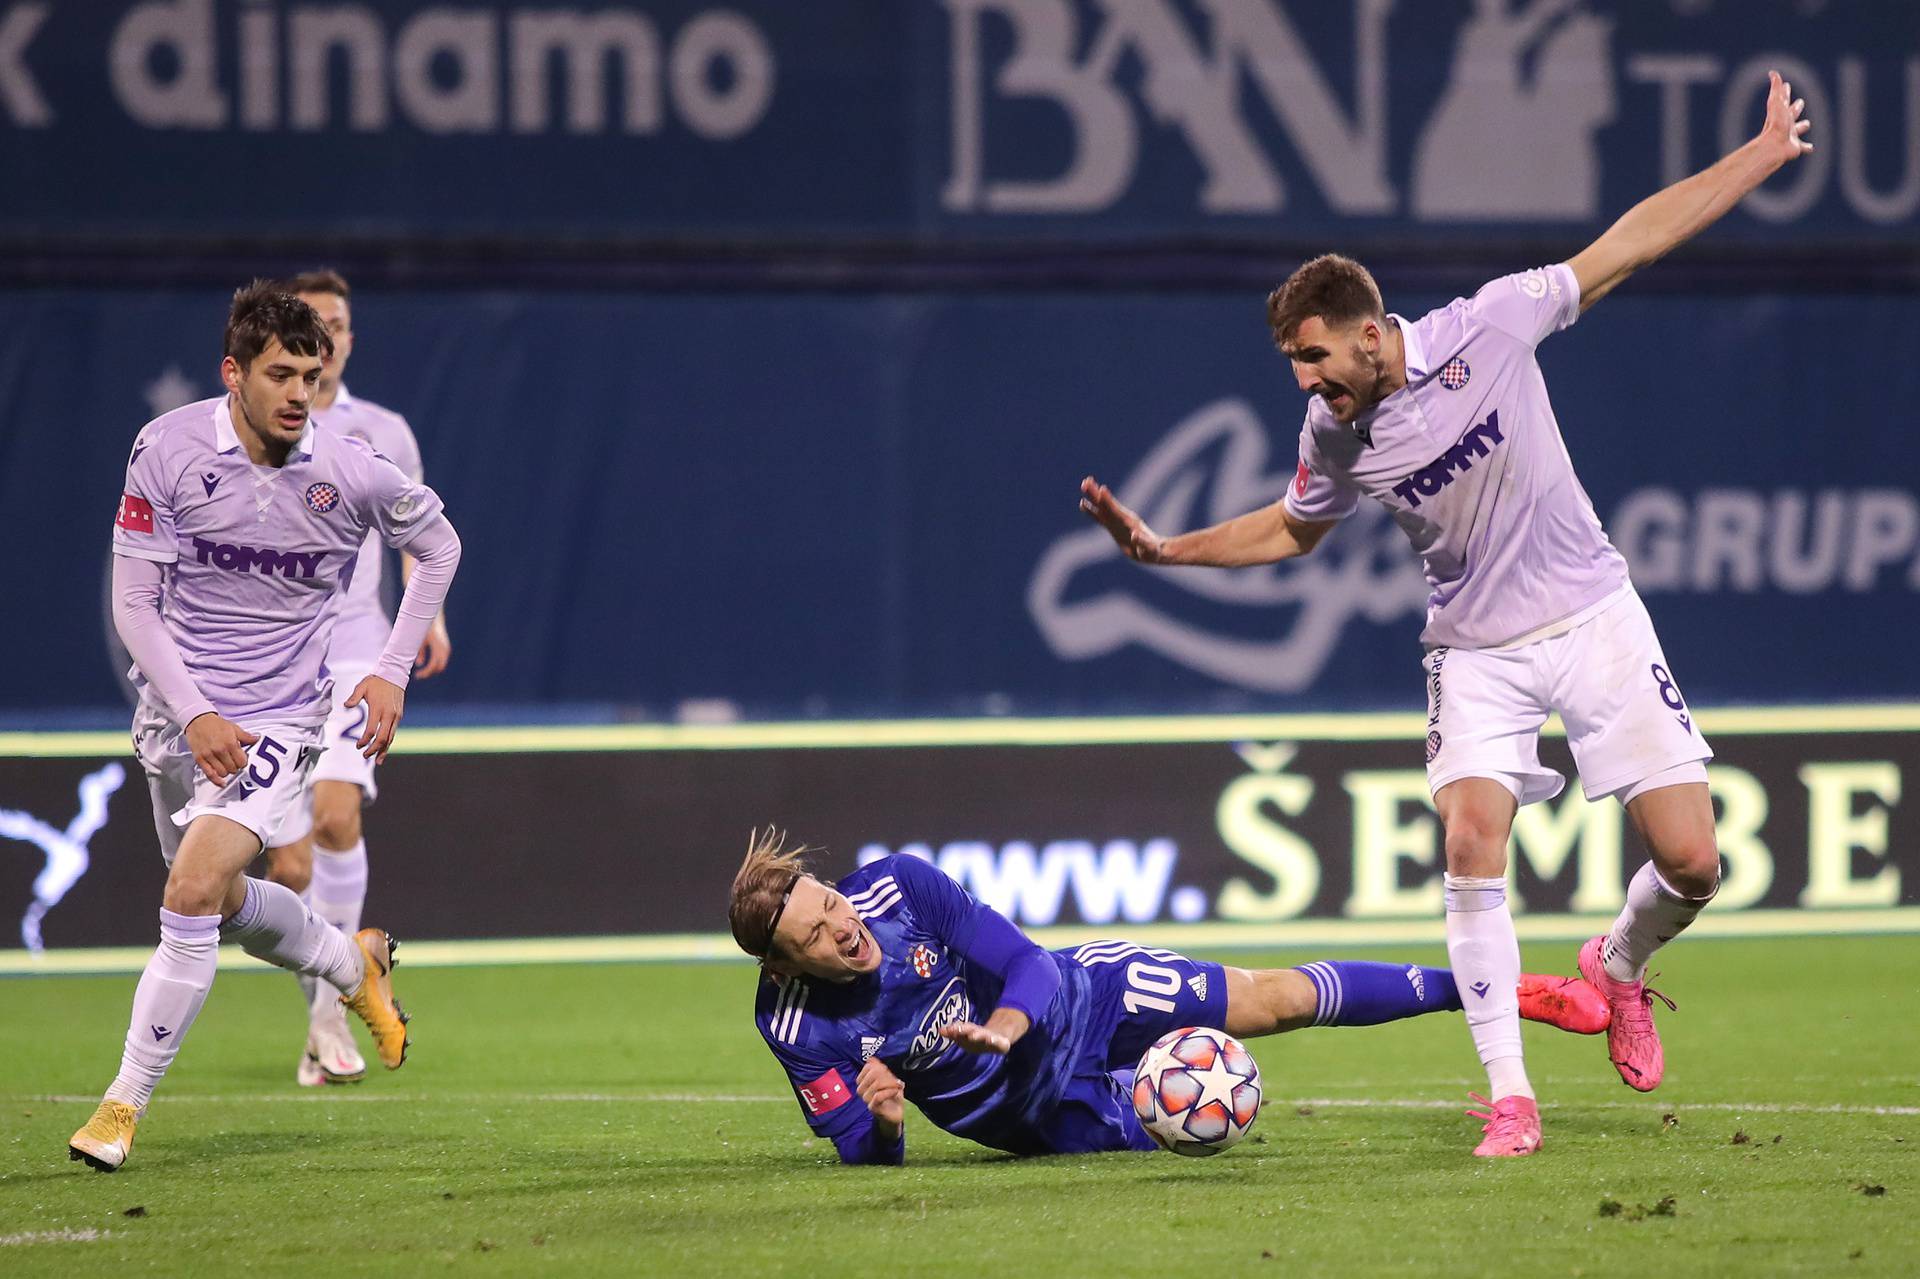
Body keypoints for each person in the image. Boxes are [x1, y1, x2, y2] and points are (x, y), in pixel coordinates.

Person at [1078, 72, 1814, 1156]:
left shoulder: (1497, 323)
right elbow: (1291, 529)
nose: (1308, 387)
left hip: (1595, 616)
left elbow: (1632, 242)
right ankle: (1512, 1096)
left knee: (1696, 862)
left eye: (1317, 360)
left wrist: (1758, 157)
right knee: (1472, 843)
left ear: (1372, 333)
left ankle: (1616, 966)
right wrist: (1163, 548)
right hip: (1473, 648)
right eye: (1297, 368)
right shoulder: (1333, 434)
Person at [70, 282, 463, 1171]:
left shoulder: (351, 466)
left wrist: (391, 667)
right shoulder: (167, 449)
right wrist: (194, 710)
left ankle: (120, 1106)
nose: (298, 391)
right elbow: (133, 602)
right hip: (177, 718)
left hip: (283, 718)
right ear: (232, 374)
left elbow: (440, 546)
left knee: (189, 895)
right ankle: (349, 959)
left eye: (310, 372)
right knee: (229, 903)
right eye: (280, 372)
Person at [728, 832, 1609, 1164]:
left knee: (1269, 1000)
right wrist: (883, 1124)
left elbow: (1027, 962)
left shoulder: (899, 885)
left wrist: (1004, 1020)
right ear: (785, 967)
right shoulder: (793, 1025)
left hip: (1086, 994)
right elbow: (857, 1147)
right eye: (814, 935)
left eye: (830, 903)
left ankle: (1490, 990)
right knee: (1175, 1123)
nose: (841, 926)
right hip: (1029, 1117)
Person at [255, 269, 452, 1088]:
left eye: (338, 324)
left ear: (348, 338)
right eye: (313, 324)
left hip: (355, 654)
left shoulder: (383, 431)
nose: (327, 338)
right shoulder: (243, 433)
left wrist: (424, 617)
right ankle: (344, 966)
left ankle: (328, 1018)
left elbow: (416, 534)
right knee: (287, 871)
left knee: (338, 817)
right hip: (267, 670)